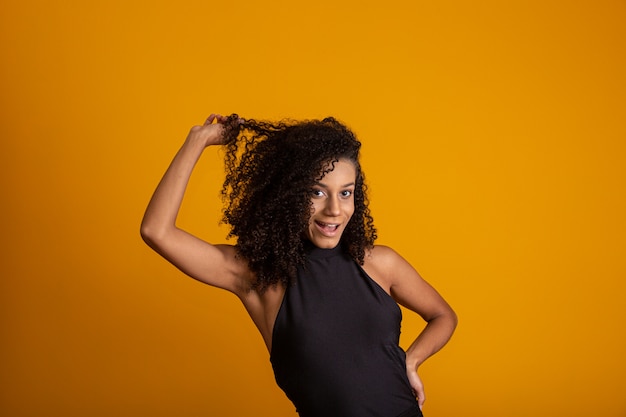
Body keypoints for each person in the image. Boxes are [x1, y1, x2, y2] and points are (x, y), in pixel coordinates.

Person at [140, 113, 457, 417]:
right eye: (317, 192)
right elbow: (157, 231)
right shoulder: (259, 276)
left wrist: (410, 362)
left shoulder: (379, 262)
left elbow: (443, 315)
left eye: (345, 193)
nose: (334, 209)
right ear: (288, 195)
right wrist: (198, 140)